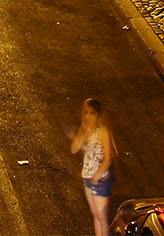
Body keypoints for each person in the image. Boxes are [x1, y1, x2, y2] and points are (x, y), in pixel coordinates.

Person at [67, 97, 117, 236]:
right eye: (86, 112)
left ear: (98, 114)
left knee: (102, 218)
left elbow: (107, 159)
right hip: (87, 178)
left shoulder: (103, 132)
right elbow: (74, 149)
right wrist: (82, 132)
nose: (88, 116)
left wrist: (97, 176)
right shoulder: (86, 130)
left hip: (100, 181)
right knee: (95, 215)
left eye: (92, 113)